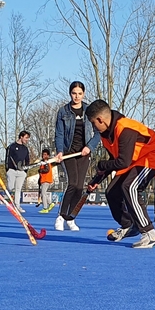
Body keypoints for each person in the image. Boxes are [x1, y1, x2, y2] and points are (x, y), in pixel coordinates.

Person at [85, 100, 155, 249]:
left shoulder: (124, 128)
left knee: (129, 187)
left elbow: (122, 162)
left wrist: (101, 165)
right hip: (134, 160)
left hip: (152, 156)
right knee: (112, 192)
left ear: (100, 120)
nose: (93, 127)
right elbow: (114, 159)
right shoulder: (106, 134)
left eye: (93, 123)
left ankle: (151, 235)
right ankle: (128, 225)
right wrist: (97, 178)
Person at [53, 81, 101, 231]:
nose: (77, 96)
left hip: (84, 153)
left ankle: (71, 218)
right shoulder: (63, 112)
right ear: (70, 94)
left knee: (80, 188)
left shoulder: (89, 111)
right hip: (68, 153)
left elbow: (99, 133)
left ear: (84, 94)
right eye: (74, 93)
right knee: (72, 183)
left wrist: (90, 146)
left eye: (80, 93)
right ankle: (61, 216)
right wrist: (59, 150)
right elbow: (59, 134)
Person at [6, 131, 31, 213]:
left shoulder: (25, 148)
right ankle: (7, 197)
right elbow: (7, 158)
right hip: (11, 171)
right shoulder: (11, 147)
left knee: (18, 189)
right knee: (10, 187)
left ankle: (17, 206)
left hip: (21, 172)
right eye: (26, 137)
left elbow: (27, 160)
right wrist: (7, 169)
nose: (27, 140)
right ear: (21, 137)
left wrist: (25, 171)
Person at [38, 148, 56, 214]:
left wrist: (40, 171)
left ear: (48, 155)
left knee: (43, 193)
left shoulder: (46, 162)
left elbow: (47, 170)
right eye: (43, 154)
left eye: (45, 154)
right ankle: (50, 203)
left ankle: (46, 207)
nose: (44, 156)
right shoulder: (43, 162)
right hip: (44, 180)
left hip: (46, 180)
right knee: (44, 193)